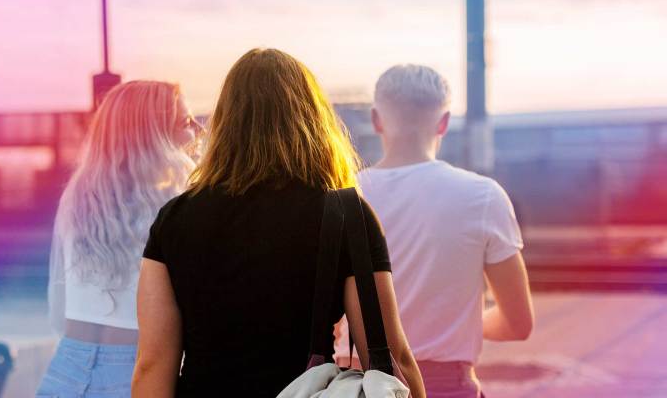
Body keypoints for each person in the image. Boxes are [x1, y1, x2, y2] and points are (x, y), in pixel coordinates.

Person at [131, 48, 426, 398]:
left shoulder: (175, 217)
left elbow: (153, 363)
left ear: (225, 122)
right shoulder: (346, 214)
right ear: (312, 119)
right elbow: (389, 358)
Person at [354, 64, 534, 397]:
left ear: (376, 119)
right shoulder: (483, 196)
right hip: (445, 387)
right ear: (444, 122)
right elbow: (518, 323)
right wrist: (456, 324)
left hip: (357, 385)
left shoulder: (343, 196)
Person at [36, 80, 201, 397]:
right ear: (154, 135)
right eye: (186, 122)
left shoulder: (77, 196)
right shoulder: (176, 204)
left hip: (64, 369)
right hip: (134, 373)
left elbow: (58, 311)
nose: (198, 130)